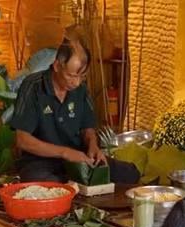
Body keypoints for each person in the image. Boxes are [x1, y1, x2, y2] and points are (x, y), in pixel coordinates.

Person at [10, 35, 139, 184]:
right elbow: (22, 140)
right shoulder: (33, 86)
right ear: (57, 66)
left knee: (129, 173)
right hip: (40, 162)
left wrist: (93, 146)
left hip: (79, 157)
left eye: (82, 76)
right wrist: (65, 152)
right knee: (49, 186)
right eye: (71, 76)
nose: (76, 83)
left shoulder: (80, 90)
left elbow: (88, 129)